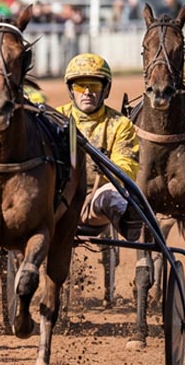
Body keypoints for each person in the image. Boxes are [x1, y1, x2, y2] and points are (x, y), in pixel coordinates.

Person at [58, 53, 140, 237]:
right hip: (54, 201)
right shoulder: (55, 119)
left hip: (94, 200)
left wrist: (108, 171)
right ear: (71, 90)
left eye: (94, 85)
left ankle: (130, 221)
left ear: (106, 89)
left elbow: (128, 165)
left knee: (112, 194)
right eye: (80, 86)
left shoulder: (120, 124)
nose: (87, 92)